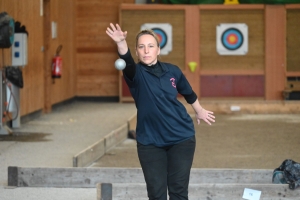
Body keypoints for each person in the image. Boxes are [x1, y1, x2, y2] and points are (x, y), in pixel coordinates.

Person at [106, 23, 215, 200]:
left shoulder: (172, 71)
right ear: (137, 51)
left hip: (181, 137)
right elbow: (126, 60)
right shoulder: (135, 74)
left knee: (178, 192)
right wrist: (120, 43)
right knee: (156, 194)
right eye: (141, 47)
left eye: (151, 46)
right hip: (150, 141)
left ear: (158, 49)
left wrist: (200, 110)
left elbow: (188, 92)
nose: (146, 51)